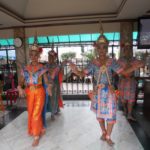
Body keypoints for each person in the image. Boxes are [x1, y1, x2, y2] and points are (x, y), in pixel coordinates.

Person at [69, 33, 143, 146]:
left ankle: (108, 136)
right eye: (99, 47)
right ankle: (103, 132)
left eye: (104, 47)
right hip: (98, 92)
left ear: (107, 48)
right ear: (96, 49)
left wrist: (134, 67)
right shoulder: (93, 62)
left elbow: (122, 72)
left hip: (110, 92)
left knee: (111, 115)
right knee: (99, 115)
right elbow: (82, 74)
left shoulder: (112, 61)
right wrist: (75, 70)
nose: (102, 50)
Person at [17, 43, 52, 147]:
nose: (33, 57)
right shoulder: (25, 69)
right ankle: (40, 128)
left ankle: (36, 136)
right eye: (31, 55)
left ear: (39, 56)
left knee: (36, 114)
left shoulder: (42, 68)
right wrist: (19, 88)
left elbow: (46, 81)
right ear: (29, 56)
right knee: (31, 113)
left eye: (35, 55)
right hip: (29, 93)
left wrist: (49, 87)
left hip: (40, 92)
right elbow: (21, 82)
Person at [118, 42, 144, 121]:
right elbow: (117, 71)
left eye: (129, 49)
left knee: (131, 99)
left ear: (131, 50)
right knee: (123, 99)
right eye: (126, 49)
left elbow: (142, 64)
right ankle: (125, 109)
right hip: (123, 81)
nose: (128, 51)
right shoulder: (120, 60)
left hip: (132, 81)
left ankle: (129, 114)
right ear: (123, 51)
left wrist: (142, 61)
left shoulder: (134, 59)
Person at [42, 47, 65, 127]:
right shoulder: (45, 66)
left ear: (55, 58)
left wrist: (62, 67)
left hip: (55, 85)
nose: (50, 59)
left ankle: (53, 113)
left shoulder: (57, 66)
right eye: (49, 57)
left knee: (54, 99)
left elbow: (61, 74)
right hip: (46, 85)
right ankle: (48, 112)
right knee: (47, 100)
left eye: (52, 57)